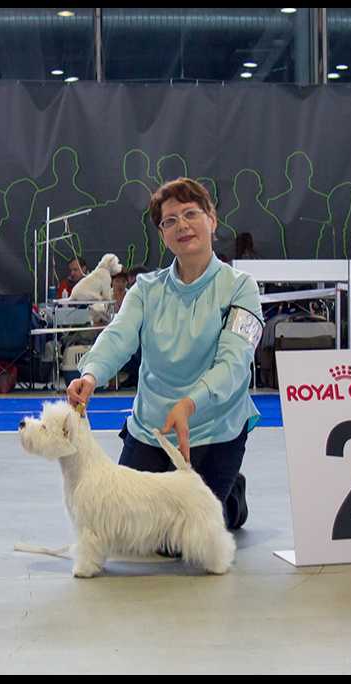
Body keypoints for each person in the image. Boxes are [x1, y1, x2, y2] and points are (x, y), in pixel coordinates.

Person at [66, 178, 263, 532]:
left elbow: (234, 363)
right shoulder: (145, 289)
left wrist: (190, 403)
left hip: (214, 427)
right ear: (162, 234)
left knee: (183, 534)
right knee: (130, 530)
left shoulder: (241, 287)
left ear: (212, 220)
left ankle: (230, 494)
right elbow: (118, 336)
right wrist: (91, 374)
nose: (182, 225)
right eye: (170, 221)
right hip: (152, 429)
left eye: (191, 214)